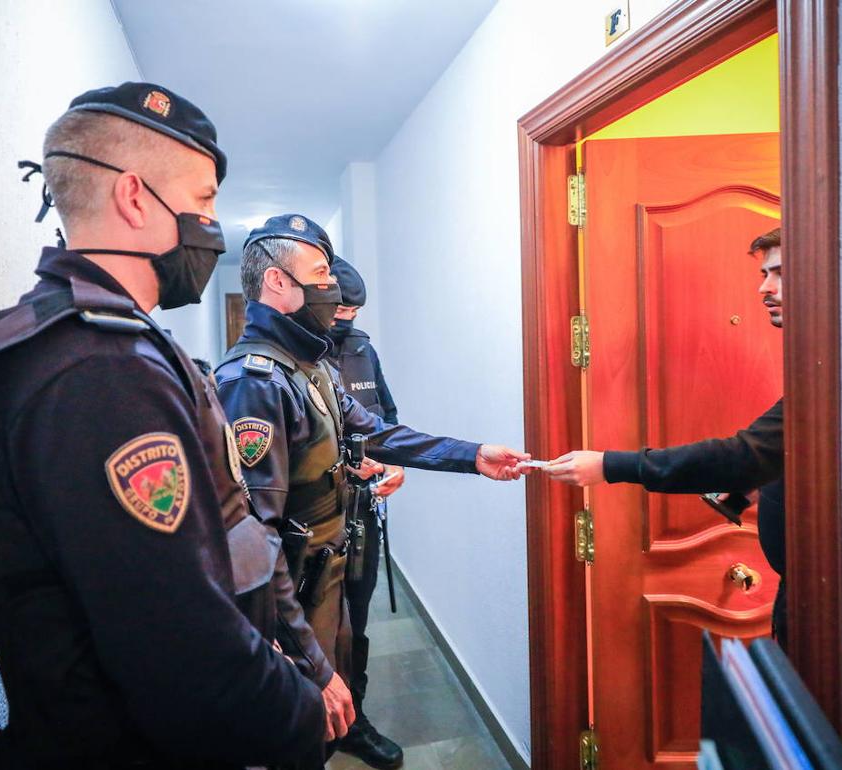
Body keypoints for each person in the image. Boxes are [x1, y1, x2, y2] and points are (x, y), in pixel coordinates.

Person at [0, 83, 326, 769]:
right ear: (133, 197)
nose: (213, 225)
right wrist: (298, 716)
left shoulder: (99, 343)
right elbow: (182, 654)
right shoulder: (97, 373)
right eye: (204, 201)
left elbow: (200, 557)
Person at [213, 214, 529, 767]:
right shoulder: (254, 382)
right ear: (278, 284)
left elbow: (380, 432)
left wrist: (473, 455)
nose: (331, 290)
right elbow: (256, 541)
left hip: (328, 576)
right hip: (292, 599)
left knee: (329, 715)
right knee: (297, 735)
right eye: (321, 275)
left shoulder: (311, 367)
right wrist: (309, 659)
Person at [537, 228, 790, 647]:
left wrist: (608, 465)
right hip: (793, 599)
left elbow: (743, 454)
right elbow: (776, 453)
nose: (764, 288)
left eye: (779, 274)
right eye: (765, 273)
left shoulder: (828, 366)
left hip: (818, 606)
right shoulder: (816, 358)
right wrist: (772, 481)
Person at [323, 257, 406, 768]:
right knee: (312, 630)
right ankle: (309, 726)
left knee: (356, 619)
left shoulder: (362, 350)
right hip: (310, 526)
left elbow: (387, 420)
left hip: (362, 516)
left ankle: (354, 721)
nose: (348, 320)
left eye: (355, 311)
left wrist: (393, 465)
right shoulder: (288, 360)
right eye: (340, 310)